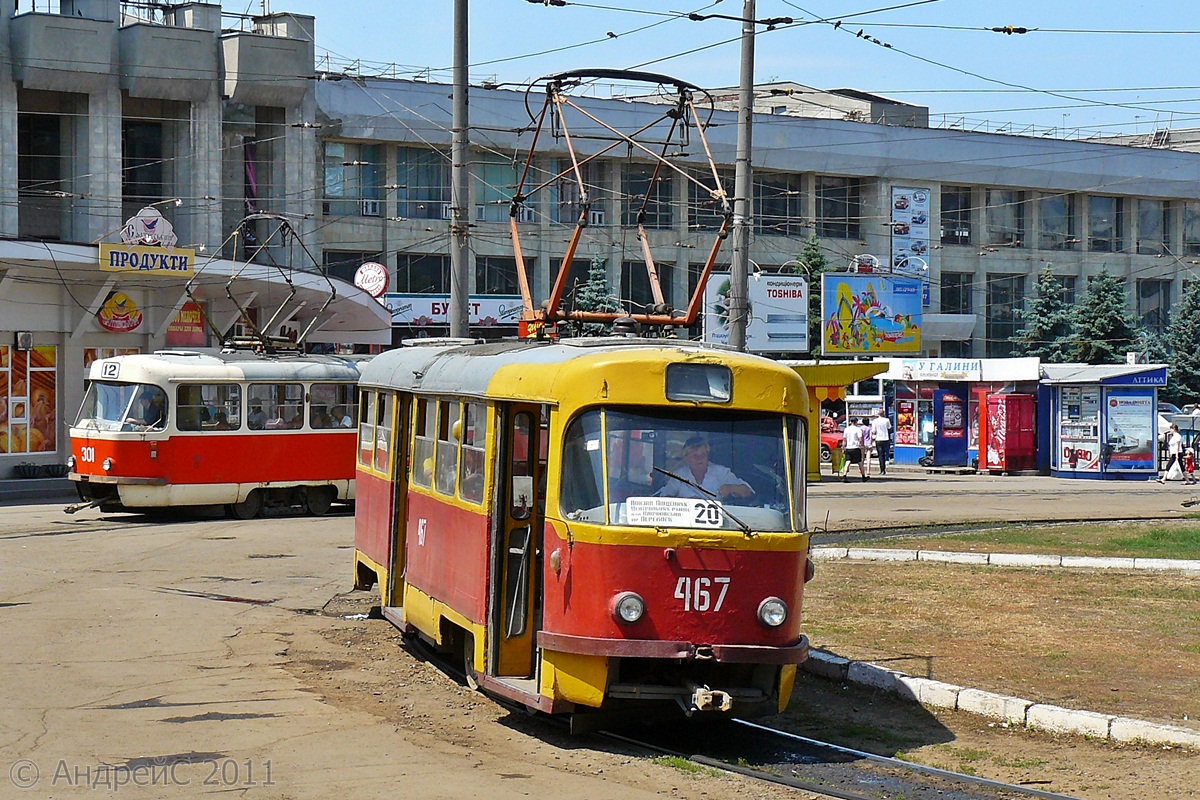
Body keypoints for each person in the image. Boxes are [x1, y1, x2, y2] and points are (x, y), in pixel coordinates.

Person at [656, 435, 753, 501]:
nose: (700, 459)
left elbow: (747, 492)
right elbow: (665, 498)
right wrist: (686, 502)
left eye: (703, 454)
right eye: (695, 455)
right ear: (686, 458)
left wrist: (731, 487)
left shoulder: (721, 472)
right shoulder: (679, 475)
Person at [840, 417, 867, 483]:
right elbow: (860, 439)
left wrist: (843, 447)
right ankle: (863, 476)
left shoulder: (846, 429)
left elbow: (844, 440)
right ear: (856, 422)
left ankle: (844, 475)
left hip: (848, 448)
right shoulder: (858, 430)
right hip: (856, 448)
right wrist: (862, 446)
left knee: (847, 462)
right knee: (860, 462)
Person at [870, 407, 892, 475]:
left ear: (878, 414)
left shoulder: (875, 421)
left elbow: (873, 431)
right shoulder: (887, 420)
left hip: (878, 439)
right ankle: (884, 468)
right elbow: (889, 427)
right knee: (885, 454)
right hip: (885, 438)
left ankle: (882, 469)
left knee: (880, 455)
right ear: (884, 414)